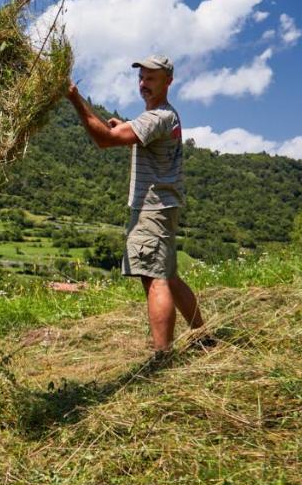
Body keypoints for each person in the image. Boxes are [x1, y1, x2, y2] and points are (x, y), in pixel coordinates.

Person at [66, 55, 203, 356]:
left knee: (153, 278)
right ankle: (202, 335)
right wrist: (124, 126)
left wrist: (74, 99)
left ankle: (162, 357)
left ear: (168, 81)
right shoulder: (164, 116)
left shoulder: (158, 117)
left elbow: (105, 140)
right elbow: (133, 133)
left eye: (151, 78)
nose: (143, 84)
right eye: (141, 78)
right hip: (163, 207)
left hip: (152, 209)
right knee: (166, 274)